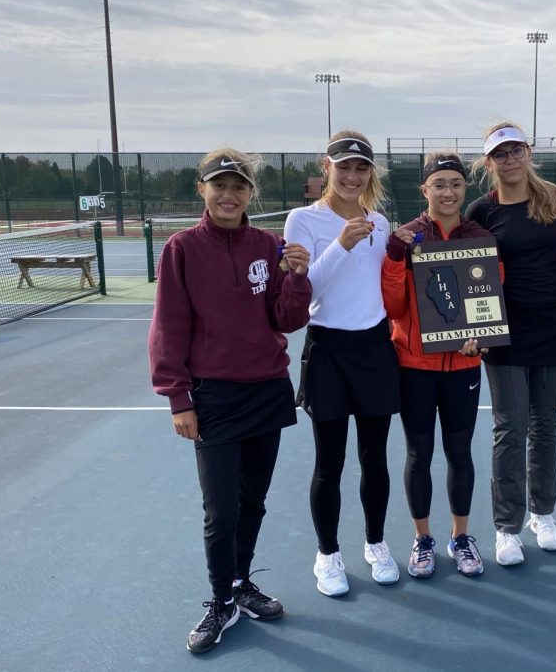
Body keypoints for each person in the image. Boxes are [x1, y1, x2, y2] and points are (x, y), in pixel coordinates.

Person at [148, 149, 312, 653]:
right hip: (214, 396)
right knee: (220, 510)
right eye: (218, 185)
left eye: (238, 186)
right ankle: (221, 600)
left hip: (266, 389)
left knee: (252, 502)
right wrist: (178, 398)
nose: (228, 194)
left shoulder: (269, 246)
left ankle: (241, 582)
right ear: (202, 190)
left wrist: (297, 277)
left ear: (249, 194)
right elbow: (169, 328)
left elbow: (286, 319)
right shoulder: (181, 248)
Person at [284, 131, 401, 597]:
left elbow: (388, 285)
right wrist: (342, 244)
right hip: (328, 348)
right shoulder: (303, 220)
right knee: (328, 462)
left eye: (361, 168)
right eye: (344, 167)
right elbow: (305, 289)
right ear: (326, 167)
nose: (352, 176)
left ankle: (375, 544)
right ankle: (328, 555)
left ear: (370, 173)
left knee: (375, 460)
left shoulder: (382, 221)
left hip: (375, 348)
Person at [382, 152, 494, 578]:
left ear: (466, 189)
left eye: (456, 184)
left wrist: (480, 337)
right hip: (413, 366)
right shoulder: (406, 237)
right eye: (440, 184)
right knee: (419, 454)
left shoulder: (479, 237)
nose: (448, 192)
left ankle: (460, 537)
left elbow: (487, 306)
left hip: (463, 368)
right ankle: (422, 539)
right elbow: (392, 305)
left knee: (460, 453)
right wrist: (395, 258)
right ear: (424, 190)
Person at [466, 123, 556, 566]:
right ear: (488, 162)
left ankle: (543, 514)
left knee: (545, 425)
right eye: (500, 154)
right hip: (503, 332)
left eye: (516, 151)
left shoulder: (555, 200)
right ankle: (506, 526)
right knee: (510, 430)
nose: (509, 160)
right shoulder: (480, 211)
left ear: (528, 153)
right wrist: (471, 328)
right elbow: (466, 271)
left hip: (554, 324)